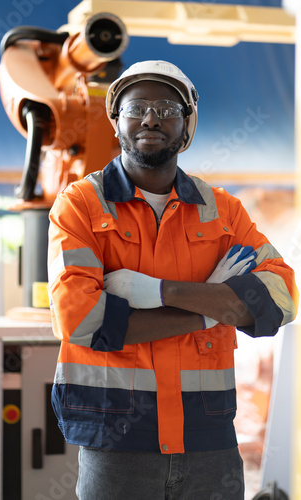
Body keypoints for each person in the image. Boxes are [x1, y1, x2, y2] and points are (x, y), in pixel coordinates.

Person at [48, 60, 298, 500]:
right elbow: (83, 319)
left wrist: (160, 293)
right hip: (117, 444)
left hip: (209, 443)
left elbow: (281, 298)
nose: (150, 118)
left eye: (166, 108)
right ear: (116, 121)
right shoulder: (80, 206)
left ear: (187, 125)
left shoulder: (222, 211)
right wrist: (211, 310)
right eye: (136, 107)